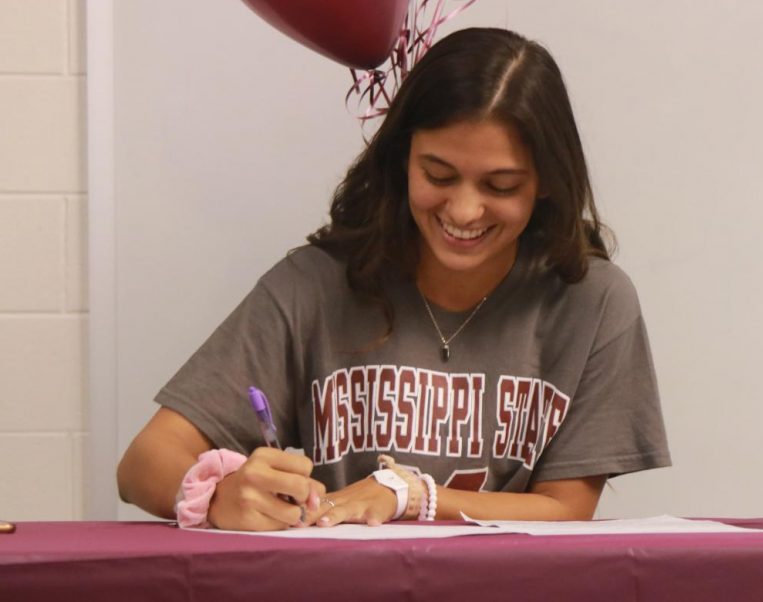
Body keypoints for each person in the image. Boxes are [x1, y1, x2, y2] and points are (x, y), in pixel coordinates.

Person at [117, 27, 671, 531]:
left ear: (548, 181)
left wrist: (411, 496)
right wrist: (217, 496)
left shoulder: (592, 300)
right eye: (438, 175)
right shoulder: (314, 285)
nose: (465, 210)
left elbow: (567, 508)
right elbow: (143, 463)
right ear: (402, 158)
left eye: (501, 186)